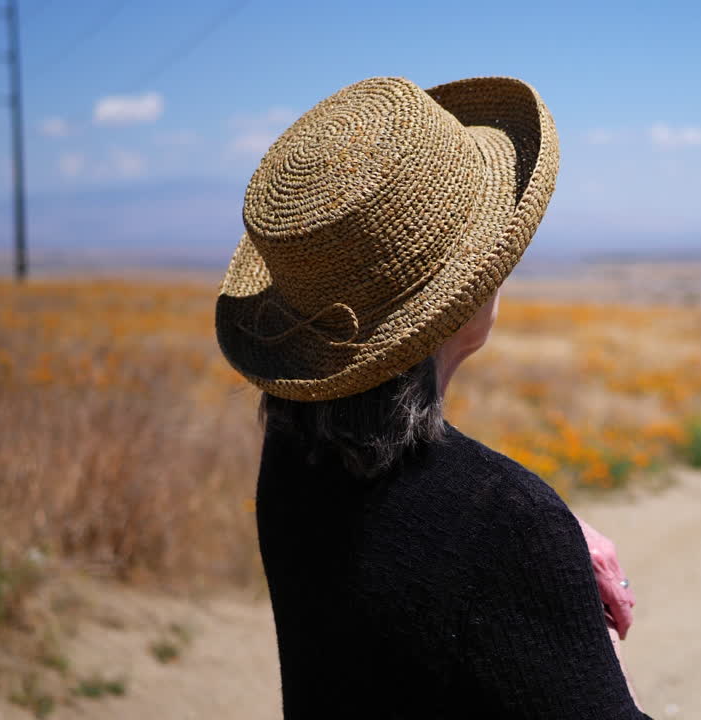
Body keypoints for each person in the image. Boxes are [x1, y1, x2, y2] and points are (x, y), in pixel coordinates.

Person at [214, 76, 649, 718]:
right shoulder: (506, 523)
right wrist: (577, 629)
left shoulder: (295, 452)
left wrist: (539, 541)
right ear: (461, 297)